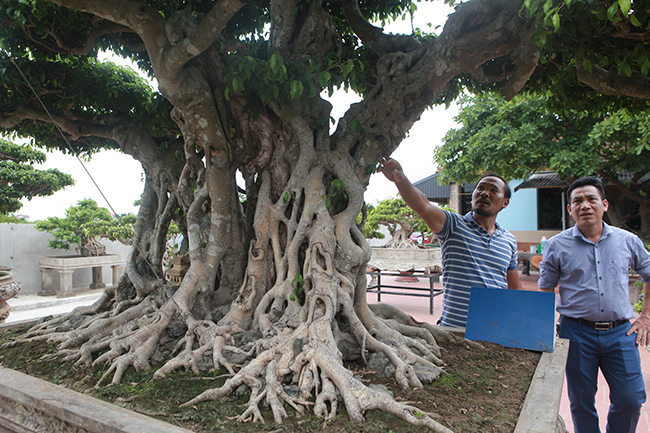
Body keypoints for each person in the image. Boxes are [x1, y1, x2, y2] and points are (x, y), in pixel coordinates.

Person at [538, 176, 650, 433]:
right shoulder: (556, 245)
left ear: (605, 204)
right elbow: (545, 288)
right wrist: (542, 330)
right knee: (581, 402)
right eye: (577, 200)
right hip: (576, 333)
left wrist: (646, 316)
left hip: (621, 333)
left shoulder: (627, 240)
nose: (584, 205)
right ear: (570, 209)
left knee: (631, 400)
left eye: (591, 199)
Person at [380, 157, 522, 328]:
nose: (485, 193)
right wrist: (400, 179)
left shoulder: (509, 241)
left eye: (493, 190)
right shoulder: (453, 225)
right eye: (480, 188)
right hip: (454, 331)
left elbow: (514, 288)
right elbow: (423, 205)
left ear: (505, 202)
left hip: (493, 330)